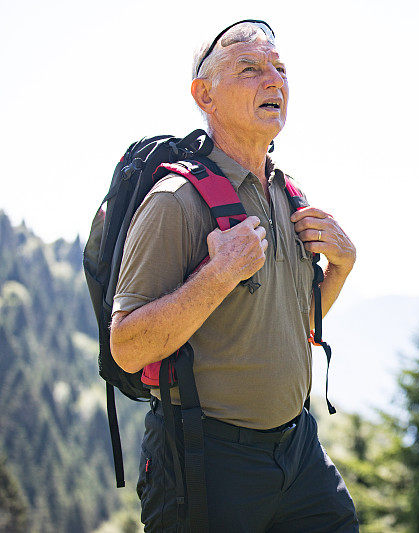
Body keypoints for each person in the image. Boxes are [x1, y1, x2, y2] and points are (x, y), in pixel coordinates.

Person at [109, 19, 358, 532]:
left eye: (280, 69)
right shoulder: (175, 203)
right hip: (209, 459)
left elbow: (289, 325)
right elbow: (128, 347)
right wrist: (217, 275)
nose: (274, 81)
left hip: (299, 453)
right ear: (205, 95)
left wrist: (341, 268)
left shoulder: (287, 195)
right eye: (250, 69)